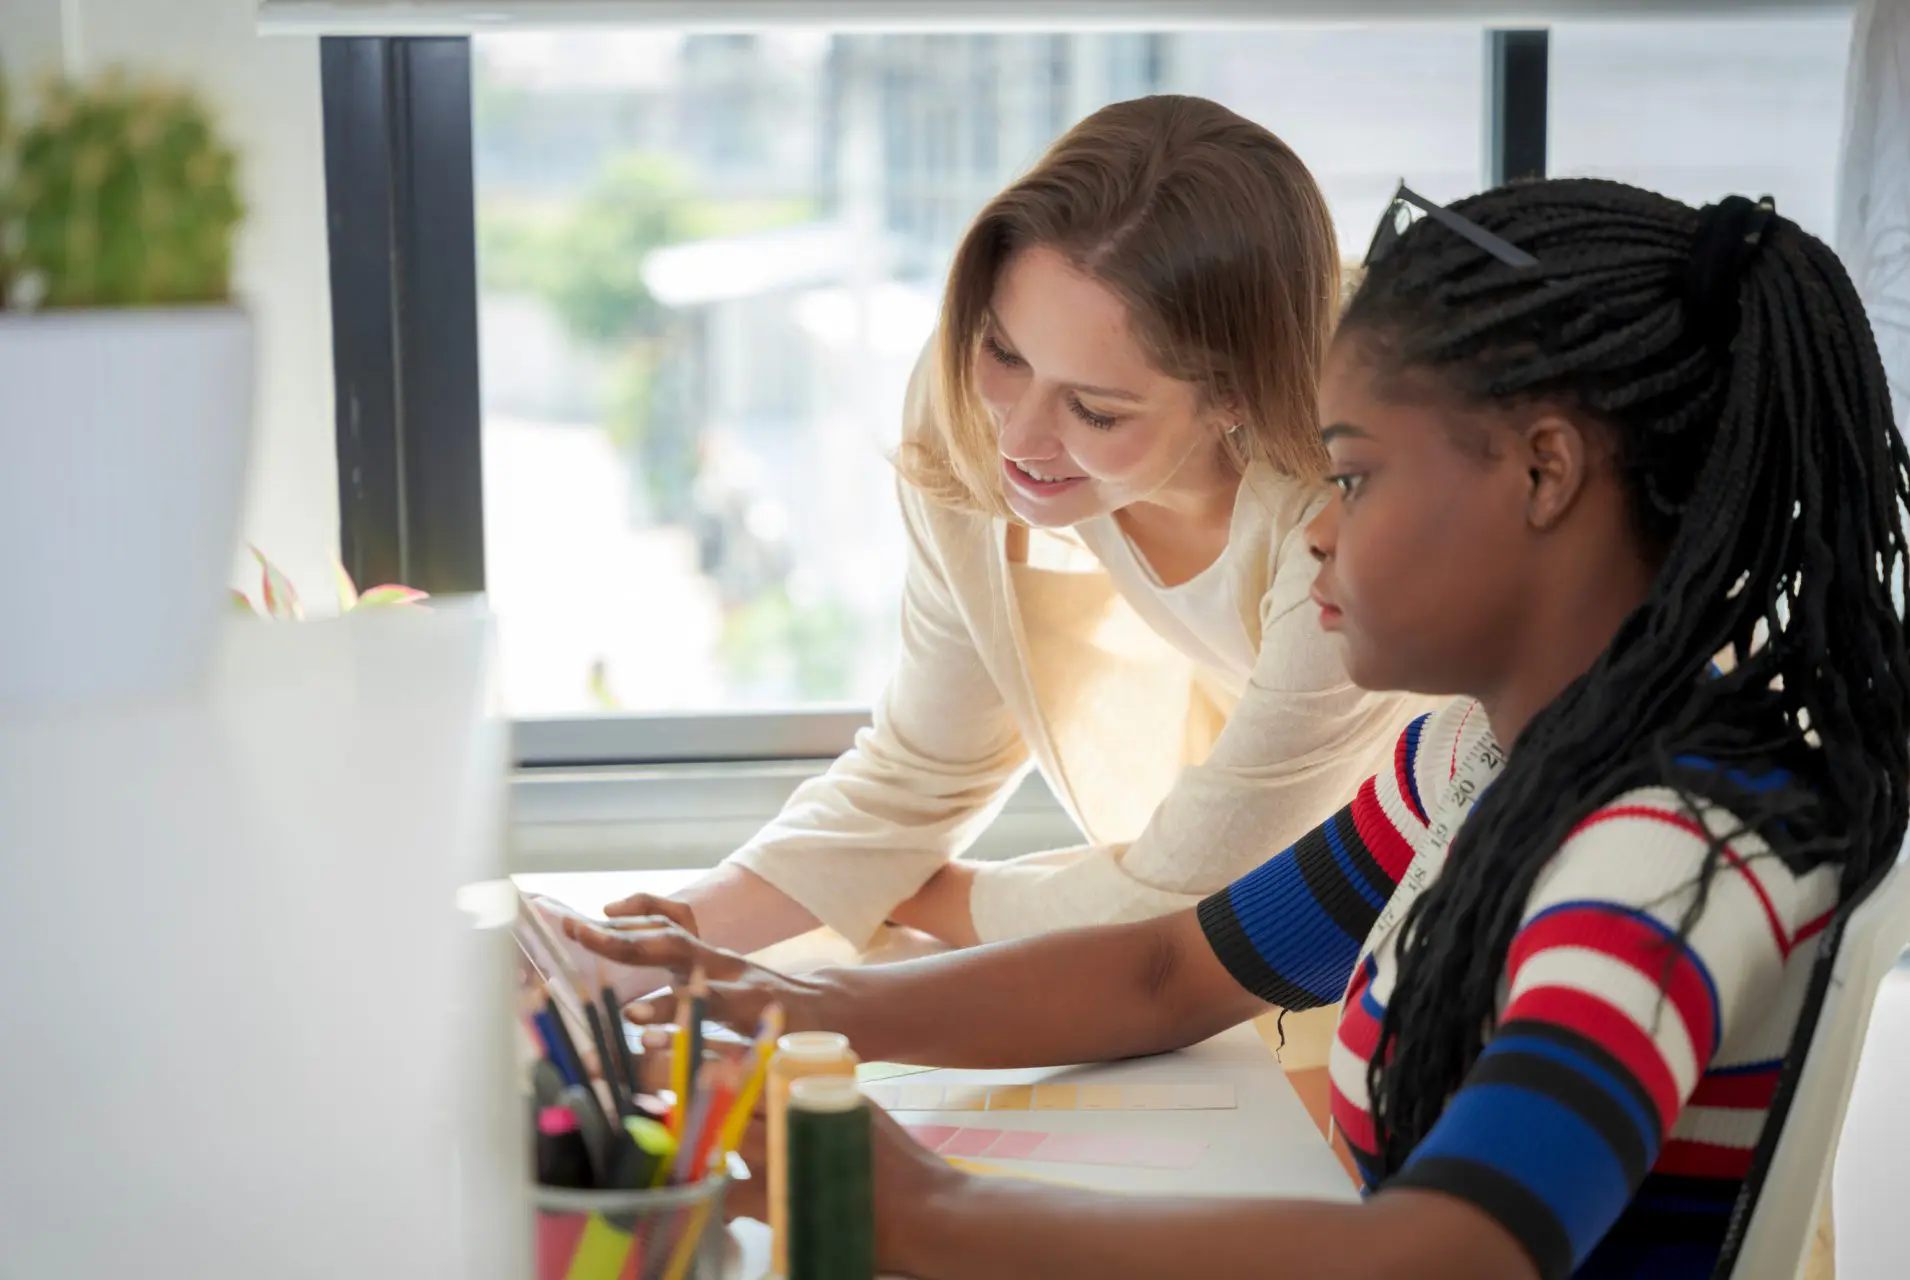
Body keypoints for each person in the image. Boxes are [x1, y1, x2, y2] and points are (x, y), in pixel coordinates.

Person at [563, 177, 1910, 1279]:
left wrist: (924, 1211)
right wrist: (777, 1000)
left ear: (1544, 473)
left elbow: (1455, 1254)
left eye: (1355, 473)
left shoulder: (1673, 852)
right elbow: (1172, 973)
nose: (1319, 524)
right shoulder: (1474, 764)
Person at [555, 96, 1432, 1006]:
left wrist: (923, 892)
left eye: (1095, 410)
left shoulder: (1349, 515)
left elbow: (1187, 900)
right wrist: (647, 936)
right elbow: (922, 771)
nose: (1017, 434)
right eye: (1003, 351)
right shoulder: (970, 410)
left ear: (1238, 396)